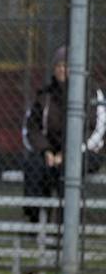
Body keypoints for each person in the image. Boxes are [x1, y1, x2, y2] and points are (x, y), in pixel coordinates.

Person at [21, 45, 105, 222]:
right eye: (58, 65)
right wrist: (46, 151)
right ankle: (35, 222)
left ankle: (67, 228)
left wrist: (69, 153)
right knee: (35, 165)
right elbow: (31, 127)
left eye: (66, 65)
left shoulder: (91, 92)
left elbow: (98, 129)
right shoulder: (45, 94)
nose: (62, 69)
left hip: (85, 152)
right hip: (51, 151)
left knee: (67, 169)